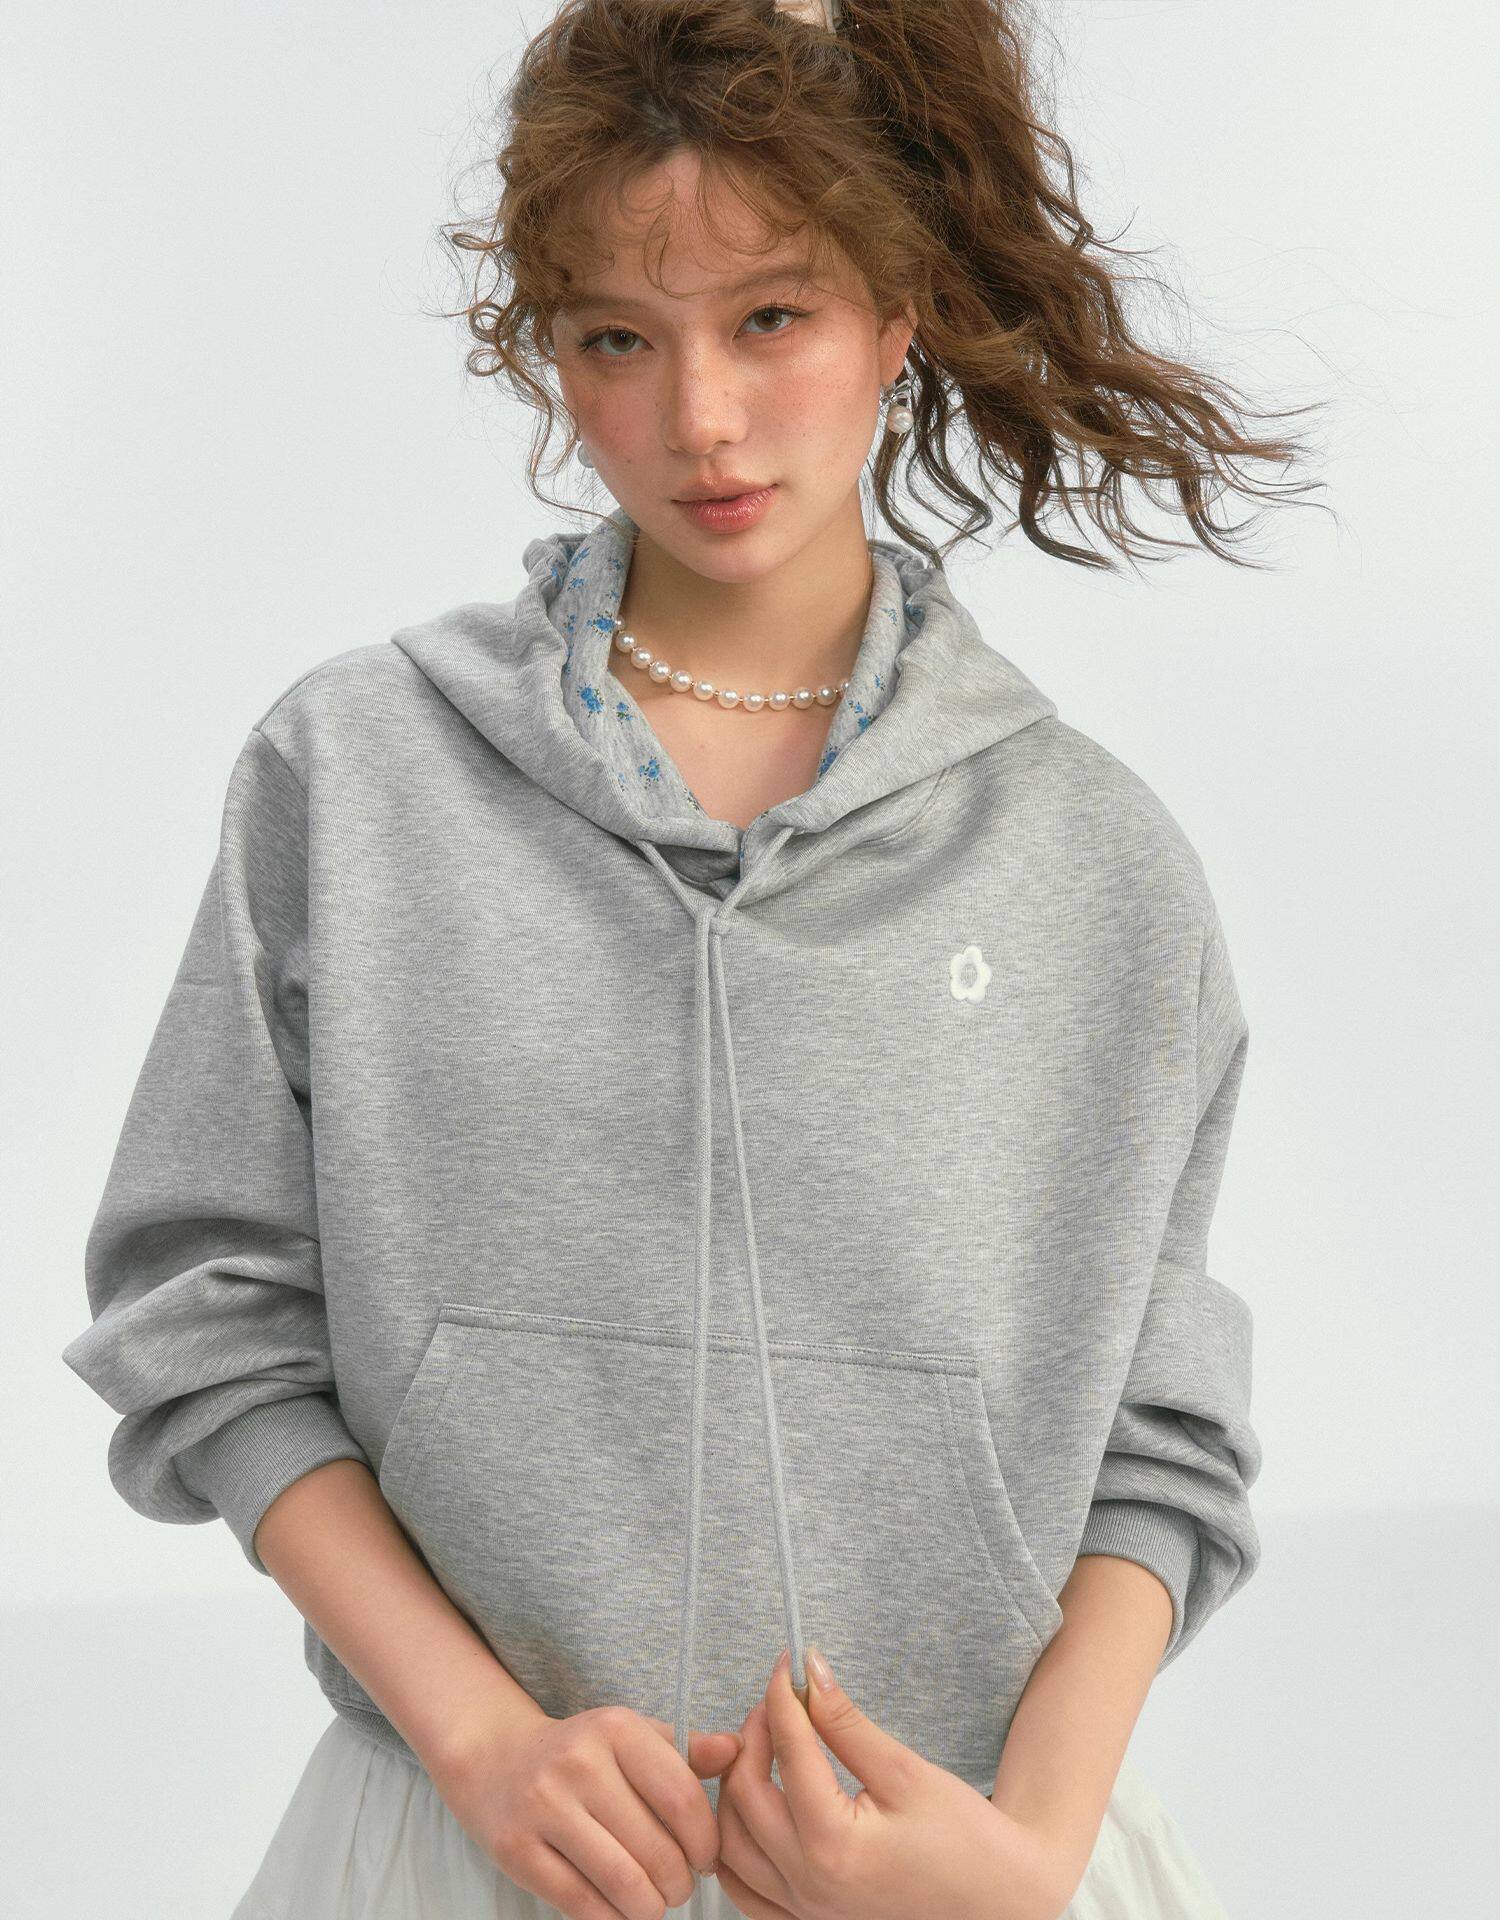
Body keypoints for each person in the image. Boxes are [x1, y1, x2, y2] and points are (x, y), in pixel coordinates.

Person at [62, 2, 1320, 1915]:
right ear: (550, 354)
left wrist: (1029, 1857)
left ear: (899, 317)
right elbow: (209, 1310)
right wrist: (481, 1740)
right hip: (477, 1845)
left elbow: (1160, 1431)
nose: (702, 420)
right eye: (617, 341)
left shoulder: (1095, 860)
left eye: (772, 317)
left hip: (957, 1862)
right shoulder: (359, 777)